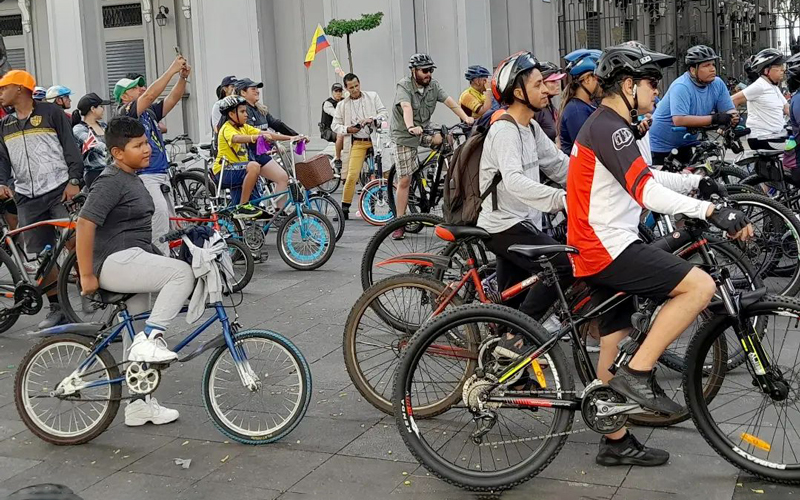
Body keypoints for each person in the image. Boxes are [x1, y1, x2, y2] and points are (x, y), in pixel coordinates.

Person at [566, 43, 753, 466]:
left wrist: (696, 183)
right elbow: (646, 193)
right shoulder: (609, 127)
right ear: (629, 85)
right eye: (652, 83)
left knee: (613, 338)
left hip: (603, 242)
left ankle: (614, 440)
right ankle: (639, 375)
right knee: (698, 286)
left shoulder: (611, 124)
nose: (657, 92)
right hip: (605, 247)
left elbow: (648, 176)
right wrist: (710, 210)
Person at [76, 116, 194, 426]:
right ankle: (152, 340)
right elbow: (85, 224)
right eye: (139, 145)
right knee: (180, 274)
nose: (147, 149)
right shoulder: (111, 180)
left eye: (147, 143)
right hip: (114, 262)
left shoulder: (133, 177)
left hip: (132, 258)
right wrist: (87, 275)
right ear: (117, 152)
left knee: (135, 332)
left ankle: (140, 404)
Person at [477, 51, 572, 338]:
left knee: (511, 302)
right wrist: (561, 200)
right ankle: (521, 338)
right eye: (538, 85)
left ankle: (506, 365)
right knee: (562, 267)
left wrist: (598, 182)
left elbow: (558, 164)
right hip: (503, 224)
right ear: (518, 92)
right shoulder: (504, 130)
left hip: (523, 221)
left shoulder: (529, 126)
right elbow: (515, 181)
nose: (546, 90)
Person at [0, 70, 83, 328]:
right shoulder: (6, 124)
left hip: (59, 191)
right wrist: (2, 182)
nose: (1, 93)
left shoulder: (51, 113)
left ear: (20, 89)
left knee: (75, 241)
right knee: (40, 256)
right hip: (26, 198)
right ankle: (57, 307)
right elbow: (2, 159)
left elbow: (71, 146)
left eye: (4, 88)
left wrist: (74, 180)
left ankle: (91, 293)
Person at [390, 53, 475, 240]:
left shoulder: (433, 86)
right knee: (405, 180)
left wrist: (466, 118)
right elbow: (406, 107)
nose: (428, 74)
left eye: (431, 70)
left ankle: (438, 175)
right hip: (405, 134)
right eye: (425, 70)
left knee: (447, 139)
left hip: (424, 128)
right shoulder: (404, 85)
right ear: (414, 72)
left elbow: (450, 102)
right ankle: (399, 222)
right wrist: (411, 126)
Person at [115, 55, 190, 255]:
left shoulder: (148, 113)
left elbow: (172, 100)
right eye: (135, 87)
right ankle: (161, 260)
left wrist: (182, 78)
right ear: (124, 96)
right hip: (145, 174)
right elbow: (148, 96)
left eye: (142, 86)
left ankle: (169, 256)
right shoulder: (126, 111)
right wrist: (172, 69)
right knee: (159, 216)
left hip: (160, 171)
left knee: (170, 220)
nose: (141, 89)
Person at [213, 95, 302, 218]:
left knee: (258, 210)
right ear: (232, 114)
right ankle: (242, 206)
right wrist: (256, 138)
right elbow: (236, 138)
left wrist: (292, 137)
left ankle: (248, 223)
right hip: (225, 171)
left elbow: (267, 133)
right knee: (254, 166)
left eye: (246, 111)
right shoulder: (227, 128)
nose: (246, 115)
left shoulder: (244, 127)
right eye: (242, 112)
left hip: (239, 170)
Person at [649, 45, 738, 166]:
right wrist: (715, 118)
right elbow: (679, 119)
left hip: (685, 142)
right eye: (706, 66)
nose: (712, 69)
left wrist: (732, 117)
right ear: (693, 70)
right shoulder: (681, 86)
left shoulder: (717, 84)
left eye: (713, 64)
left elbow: (728, 110)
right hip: (661, 145)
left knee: (692, 180)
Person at [331, 73, 387, 220]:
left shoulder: (372, 96)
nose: (355, 89)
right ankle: (345, 208)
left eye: (356, 86)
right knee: (352, 175)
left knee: (386, 172)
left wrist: (372, 119)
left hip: (376, 140)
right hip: (358, 142)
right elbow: (335, 125)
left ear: (359, 83)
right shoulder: (342, 105)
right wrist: (348, 129)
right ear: (346, 89)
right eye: (351, 87)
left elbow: (384, 113)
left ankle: (394, 203)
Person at [733, 48, 789, 150]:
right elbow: (733, 100)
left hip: (775, 135)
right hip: (761, 138)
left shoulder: (773, 86)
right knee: (795, 147)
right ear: (766, 70)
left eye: (783, 66)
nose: (783, 70)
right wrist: (732, 121)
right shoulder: (759, 86)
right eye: (778, 66)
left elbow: (787, 109)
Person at [236, 78, 300, 167]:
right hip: (253, 155)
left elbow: (276, 124)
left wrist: (296, 136)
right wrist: (276, 143)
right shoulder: (244, 111)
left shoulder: (261, 110)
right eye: (253, 89)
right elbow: (252, 132)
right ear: (243, 93)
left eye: (257, 89)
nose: (257, 91)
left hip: (266, 151)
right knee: (281, 177)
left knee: (285, 173)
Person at [558, 49, 602, 155]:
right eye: (599, 79)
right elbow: (589, 148)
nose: (603, 84)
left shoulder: (588, 105)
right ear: (587, 79)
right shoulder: (576, 111)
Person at [72, 92, 111, 188]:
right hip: (94, 173)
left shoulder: (103, 125)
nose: (103, 110)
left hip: (110, 170)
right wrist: (113, 152)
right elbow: (95, 145)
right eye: (101, 106)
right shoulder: (79, 129)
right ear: (93, 109)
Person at [534, 61, 565, 143]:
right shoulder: (537, 109)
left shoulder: (549, 106)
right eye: (552, 81)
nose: (557, 84)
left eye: (557, 80)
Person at [320, 82, 345, 172]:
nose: (338, 93)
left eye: (340, 91)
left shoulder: (344, 101)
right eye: (336, 91)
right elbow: (335, 114)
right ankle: (338, 159)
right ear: (332, 92)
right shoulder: (327, 103)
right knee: (340, 135)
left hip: (340, 127)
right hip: (328, 130)